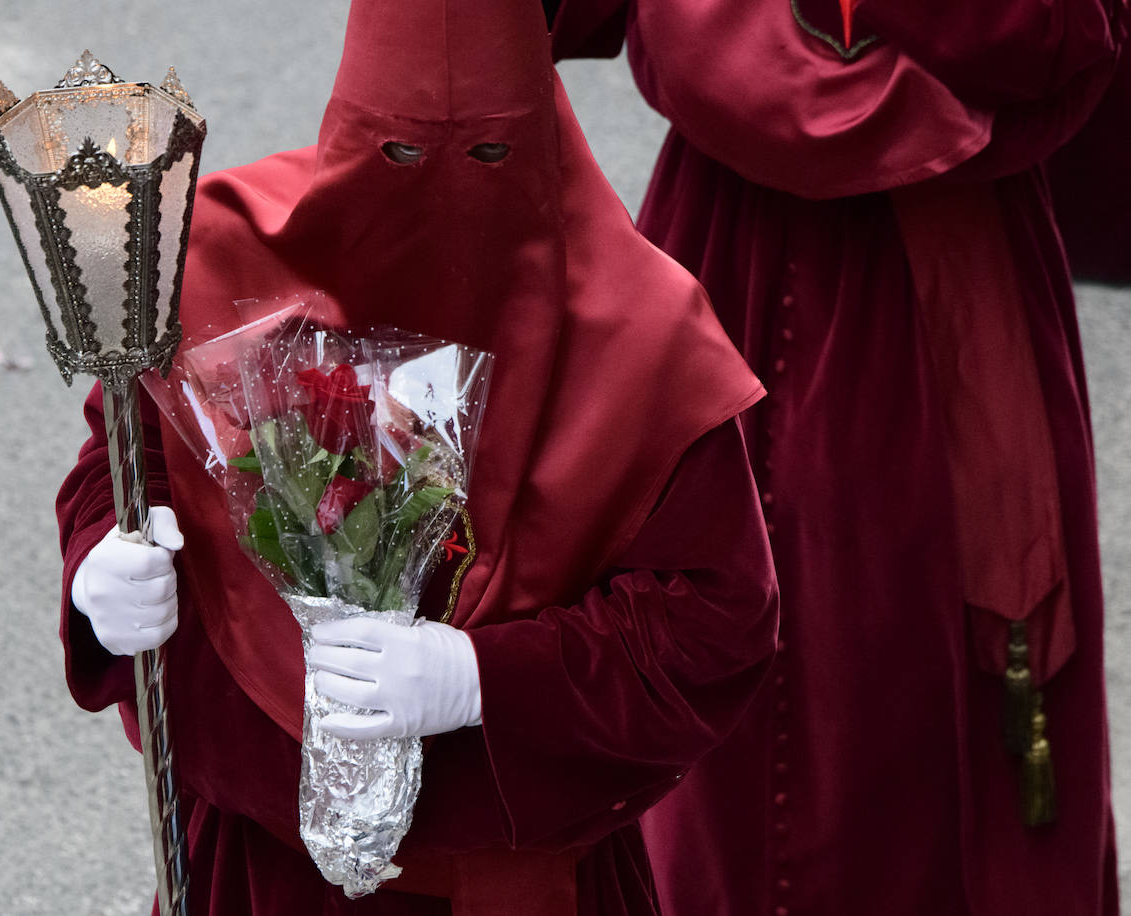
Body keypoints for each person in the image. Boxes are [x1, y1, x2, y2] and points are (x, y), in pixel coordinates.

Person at [55, 0, 780, 913]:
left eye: (489, 157)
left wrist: (485, 680)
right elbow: (127, 454)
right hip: (259, 867)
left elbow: (716, 621)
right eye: (396, 154)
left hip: (516, 884)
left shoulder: (647, 342)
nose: (437, 195)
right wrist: (104, 561)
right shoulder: (223, 254)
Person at [546, 0, 1124, 913]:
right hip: (733, 276)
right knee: (693, 660)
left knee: (917, 723)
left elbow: (1062, 37)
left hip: (943, 303)